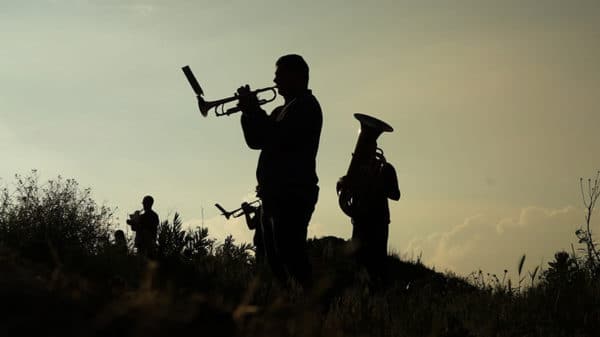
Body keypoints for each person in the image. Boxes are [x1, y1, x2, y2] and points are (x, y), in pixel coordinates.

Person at [236, 54, 322, 288]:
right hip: (272, 195)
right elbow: (256, 140)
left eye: (279, 75)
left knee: (291, 258)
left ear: (296, 76)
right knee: (275, 262)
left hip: (291, 194)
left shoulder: (306, 107)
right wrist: (248, 113)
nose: (274, 80)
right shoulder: (279, 110)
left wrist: (254, 110)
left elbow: (275, 137)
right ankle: (290, 308)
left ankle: (311, 309)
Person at [347, 151, 400, 273]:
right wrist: (342, 183)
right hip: (360, 221)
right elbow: (347, 184)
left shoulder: (386, 169)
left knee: (377, 263)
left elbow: (396, 195)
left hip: (378, 222)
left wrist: (377, 180)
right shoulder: (356, 168)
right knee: (358, 262)